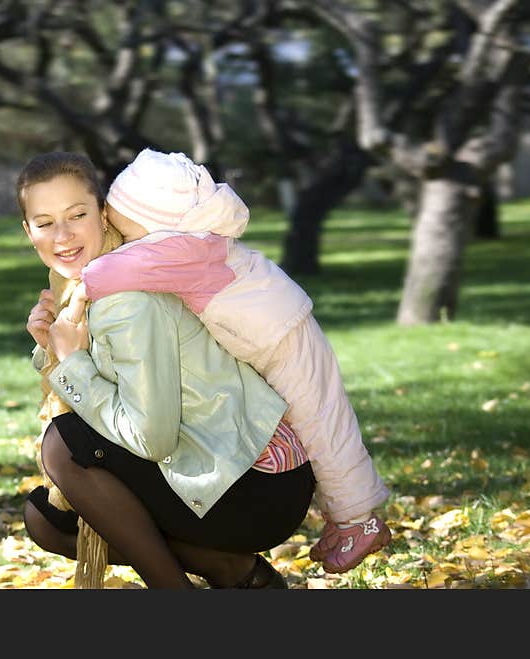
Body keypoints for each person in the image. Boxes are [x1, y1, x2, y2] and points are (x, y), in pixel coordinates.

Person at [80, 148, 392, 574]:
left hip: (279, 337)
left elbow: (105, 274)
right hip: (276, 329)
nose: (122, 239)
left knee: (324, 427)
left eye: (125, 229)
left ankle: (361, 521)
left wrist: (78, 286)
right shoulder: (192, 241)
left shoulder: (181, 248)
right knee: (323, 423)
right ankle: (347, 519)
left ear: (152, 220)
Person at [18, 151, 316, 589]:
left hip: (257, 483)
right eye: (44, 222)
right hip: (217, 465)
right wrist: (54, 346)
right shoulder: (87, 287)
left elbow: (150, 437)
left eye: (76, 214)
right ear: (29, 231)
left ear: (103, 215)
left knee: (64, 447)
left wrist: (72, 362)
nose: (62, 235)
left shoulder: (126, 298)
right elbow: (109, 381)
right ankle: (236, 572)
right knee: (46, 520)